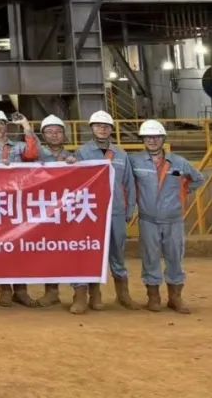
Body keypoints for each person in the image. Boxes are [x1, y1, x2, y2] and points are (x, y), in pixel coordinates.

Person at [131, 119, 204, 314]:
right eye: (148, 137)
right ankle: (153, 297)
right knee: (150, 258)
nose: (152, 140)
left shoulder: (179, 162)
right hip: (148, 220)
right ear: (143, 140)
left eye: (156, 137)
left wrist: (182, 192)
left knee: (174, 257)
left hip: (173, 220)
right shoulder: (135, 162)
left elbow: (198, 179)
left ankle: (175, 298)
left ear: (163, 139)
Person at [72, 110, 137, 313]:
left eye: (106, 126)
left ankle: (123, 295)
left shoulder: (121, 154)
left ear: (111, 129)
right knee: (90, 252)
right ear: (91, 128)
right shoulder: (82, 153)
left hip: (116, 211)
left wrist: (129, 210)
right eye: (98, 125)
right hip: (91, 212)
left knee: (117, 253)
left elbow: (129, 184)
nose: (102, 129)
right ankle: (91, 295)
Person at [0, 108, 41, 308]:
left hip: (19, 206)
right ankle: (5, 289)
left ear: (6, 126)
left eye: (0, 123)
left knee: (20, 248)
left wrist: (26, 126)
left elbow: (33, 154)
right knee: (1, 249)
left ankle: (21, 291)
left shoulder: (20, 147)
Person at [33, 114, 76, 309]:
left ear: (64, 135)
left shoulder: (74, 157)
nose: (54, 135)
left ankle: (79, 293)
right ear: (43, 135)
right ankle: (51, 292)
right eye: (49, 132)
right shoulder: (35, 156)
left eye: (58, 131)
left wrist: (76, 165)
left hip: (69, 214)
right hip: (43, 212)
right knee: (48, 251)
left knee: (74, 251)